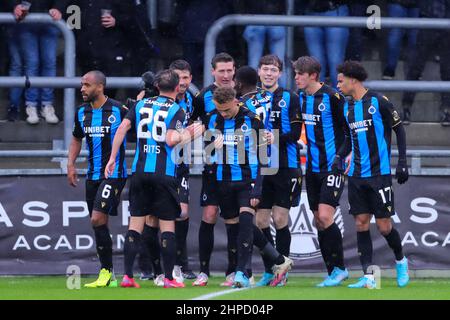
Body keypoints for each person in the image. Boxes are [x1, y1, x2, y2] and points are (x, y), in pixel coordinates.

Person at [105, 69, 201, 289]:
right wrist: (190, 133)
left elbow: (122, 128)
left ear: (157, 87)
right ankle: (168, 278)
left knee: (135, 224)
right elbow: (171, 140)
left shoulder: (141, 105)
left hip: (139, 172)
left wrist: (112, 158)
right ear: (177, 88)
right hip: (164, 174)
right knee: (167, 226)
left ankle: (128, 276)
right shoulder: (177, 109)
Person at [204, 86, 293, 288]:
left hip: (247, 180)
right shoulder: (213, 119)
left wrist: (257, 188)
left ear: (236, 101)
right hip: (223, 180)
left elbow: (264, 158)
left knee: (245, 224)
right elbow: (207, 157)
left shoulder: (253, 120)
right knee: (235, 228)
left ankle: (242, 274)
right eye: (220, 110)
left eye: (226, 110)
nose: (223, 114)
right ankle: (279, 260)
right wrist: (211, 147)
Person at [336, 60, 410, 289]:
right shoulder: (347, 108)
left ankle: (401, 260)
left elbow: (399, 128)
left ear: (353, 80)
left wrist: (403, 162)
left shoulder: (378, 101)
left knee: (385, 226)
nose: (338, 85)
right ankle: (368, 275)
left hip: (380, 174)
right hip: (357, 174)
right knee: (360, 223)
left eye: (340, 81)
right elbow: (349, 138)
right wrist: (340, 157)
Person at [67, 70, 128, 288]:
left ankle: (107, 272)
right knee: (99, 224)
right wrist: (71, 164)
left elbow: (139, 132)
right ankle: (109, 274)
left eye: (86, 85)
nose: (82, 89)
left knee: (96, 219)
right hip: (92, 175)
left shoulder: (119, 110)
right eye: (82, 85)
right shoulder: (81, 112)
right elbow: (76, 138)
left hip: (114, 174)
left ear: (100, 87)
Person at [294, 56, 348, 287]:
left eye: (300, 74)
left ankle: (340, 269)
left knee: (326, 216)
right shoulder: (300, 99)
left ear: (313, 75)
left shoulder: (333, 97)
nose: (295, 77)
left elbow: (348, 132)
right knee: (318, 220)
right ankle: (332, 271)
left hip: (332, 167)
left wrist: (339, 157)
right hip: (313, 168)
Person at [190, 52, 237, 287]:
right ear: (213, 72)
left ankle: (232, 271)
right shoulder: (202, 97)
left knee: (232, 219)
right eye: (222, 71)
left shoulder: (243, 95)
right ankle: (204, 271)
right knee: (208, 216)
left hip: (236, 167)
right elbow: (192, 124)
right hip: (212, 166)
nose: (227, 75)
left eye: (230, 70)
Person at [255, 55, 302, 287]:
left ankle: (282, 273)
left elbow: (295, 134)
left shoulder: (290, 98)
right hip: (261, 167)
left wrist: (274, 138)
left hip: (285, 166)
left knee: (280, 218)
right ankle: (270, 267)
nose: (269, 73)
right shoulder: (252, 99)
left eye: (273, 70)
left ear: (280, 74)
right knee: (261, 219)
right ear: (259, 71)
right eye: (265, 69)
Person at [13, 0, 68, 124]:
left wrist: (58, 7)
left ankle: (46, 105)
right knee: (32, 62)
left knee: (49, 62)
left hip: (49, 20)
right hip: (26, 19)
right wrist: (15, 5)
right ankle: (31, 105)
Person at [169, 59, 197, 281]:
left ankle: (182, 263)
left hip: (182, 165)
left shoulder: (192, 101)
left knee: (183, 213)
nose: (182, 82)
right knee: (152, 216)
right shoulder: (159, 99)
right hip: (159, 164)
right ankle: (152, 265)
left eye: (186, 77)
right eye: (178, 77)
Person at [303, 0, 350, 88]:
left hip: (335, 10)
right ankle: (319, 98)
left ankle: (337, 99)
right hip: (311, 12)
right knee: (316, 63)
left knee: (335, 62)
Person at [241, 1, 287, 86]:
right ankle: (285, 94)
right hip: (276, 16)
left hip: (254, 16)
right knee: (279, 62)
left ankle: (251, 92)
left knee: (254, 61)